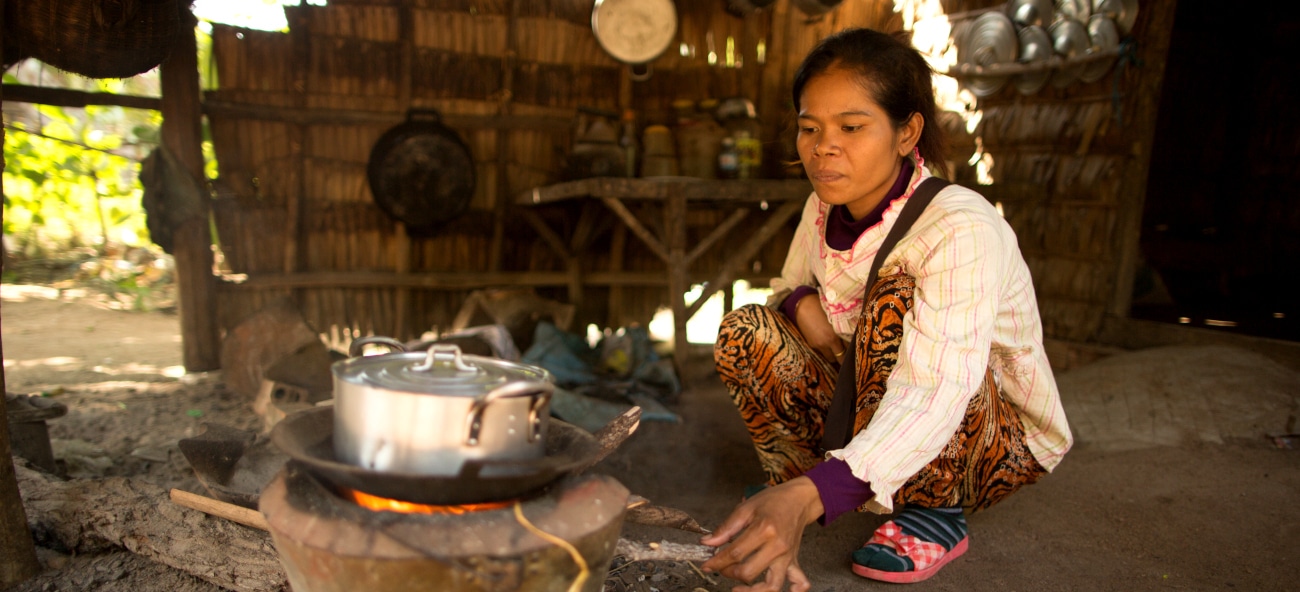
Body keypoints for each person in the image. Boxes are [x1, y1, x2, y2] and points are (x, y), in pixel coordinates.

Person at [700, 27, 1072, 591]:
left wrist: (815, 497)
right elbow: (789, 283)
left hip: (984, 436)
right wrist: (805, 308)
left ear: (907, 132)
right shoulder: (824, 205)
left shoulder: (959, 225)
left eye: (851, 127)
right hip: (866, 396)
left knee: (891, 303)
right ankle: (808, 484)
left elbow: (938, 385)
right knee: (747, 329)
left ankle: (931, 509)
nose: (824, 147)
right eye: (809, 128)